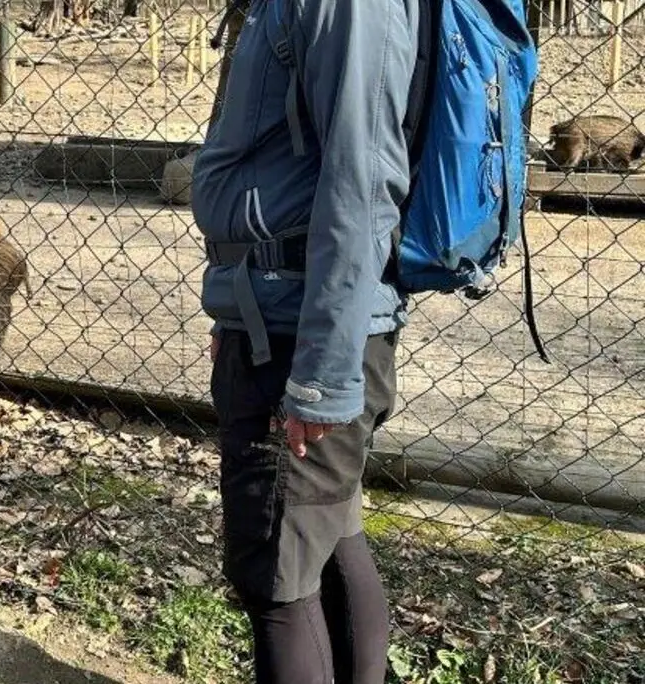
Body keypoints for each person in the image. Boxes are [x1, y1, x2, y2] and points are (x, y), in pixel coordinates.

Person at [191, 0, 418, 682]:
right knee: (331, 540)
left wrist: (320, 375)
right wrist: (237, 301)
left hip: (300, 335)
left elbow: (361, 185)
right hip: (277, 310)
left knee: (277, 580)